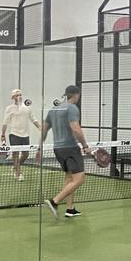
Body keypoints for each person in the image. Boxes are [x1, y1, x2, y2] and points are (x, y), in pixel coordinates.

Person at [38, 85, 91, 219]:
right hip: (70, 148)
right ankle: (54, 201)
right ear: (76, 95)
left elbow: (44, 129)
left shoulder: (53, 110)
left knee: (69, 178)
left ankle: (70, 209)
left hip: (58, 150)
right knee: (79, 179)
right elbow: (76, 129)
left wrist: (40, 148)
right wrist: (85, 145)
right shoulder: (72, 108)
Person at [1, 89, 40, 181]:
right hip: (14, 134)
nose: (19, 97)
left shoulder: (27, 107)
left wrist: (39, 127)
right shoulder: (9, 108)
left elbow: (33, 118)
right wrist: (2, 134)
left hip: (25, 135)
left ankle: (15, 167)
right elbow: (5, 122)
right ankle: (19, 174)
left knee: (26, 154)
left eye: (20, 95)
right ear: (13, 97)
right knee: (15, 154)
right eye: (17, 95)